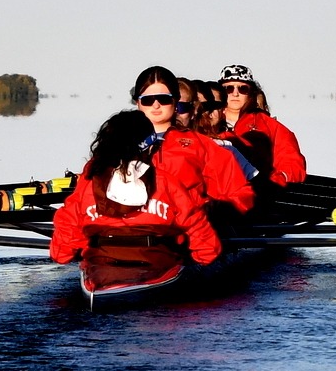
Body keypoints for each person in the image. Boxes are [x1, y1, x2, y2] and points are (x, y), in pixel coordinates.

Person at [48, 109, 222, 269]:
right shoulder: (166, 182)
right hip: (157, 263)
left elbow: (61, 253)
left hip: (101, 265)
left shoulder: (88, 183)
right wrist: (203, 259)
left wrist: (67, 252)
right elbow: (202, 236)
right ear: (151, 148)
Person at [129, 65, 256, 214]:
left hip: (187, 228)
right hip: (128, 231)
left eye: (164, 99)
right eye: (147, 100)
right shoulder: (117, 144)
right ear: (137, 103)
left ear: (175, 101)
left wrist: (215, 208)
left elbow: (241, 193)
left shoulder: (201, 145)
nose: (156, 105)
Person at [218, 64, 306, 190]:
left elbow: (291, 162)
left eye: (243, 88)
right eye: (228, 89)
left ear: (251, 93)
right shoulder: (206, 121)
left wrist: (272, 183)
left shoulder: (269, 125)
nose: (235, 93)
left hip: (261, 192)